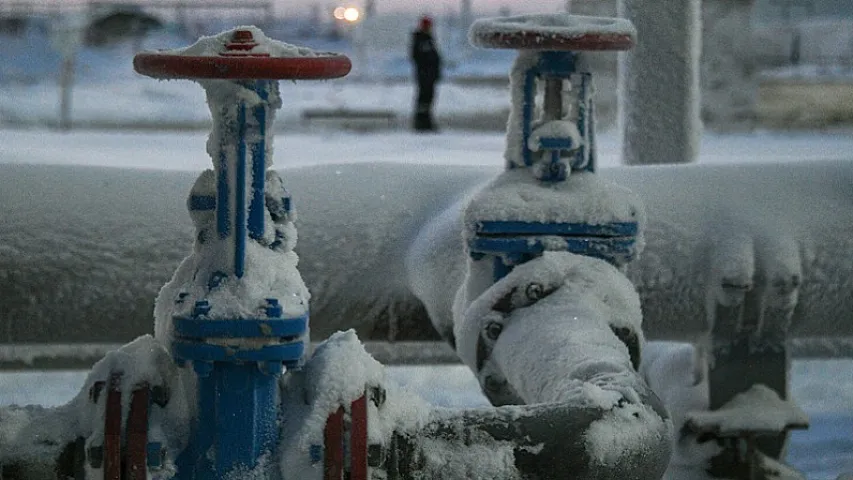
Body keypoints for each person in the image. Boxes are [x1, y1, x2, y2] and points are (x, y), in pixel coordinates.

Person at [410, 15, 442, 132]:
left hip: (429, 75)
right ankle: (421, 122)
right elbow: (418, 56)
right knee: (423, 99)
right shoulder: (420, 39)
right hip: (424, 75)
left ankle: (426, 121)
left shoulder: (428, 38)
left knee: (428, 99)